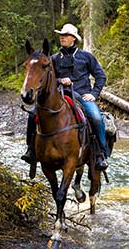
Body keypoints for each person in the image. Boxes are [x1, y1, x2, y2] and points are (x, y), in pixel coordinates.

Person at [21, 23, 108, 170]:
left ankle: (100, 154)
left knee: (96, 117)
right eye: (61, 35)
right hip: (59, 95)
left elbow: (101, 76)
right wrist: (60, 80)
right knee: (32, 116)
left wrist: (93, 94)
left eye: (66, 35)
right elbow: (47, 78)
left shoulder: (86, 57)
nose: (62, 38)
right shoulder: (53, 59)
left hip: (81, 95)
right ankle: (31, 150)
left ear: (73, 38)